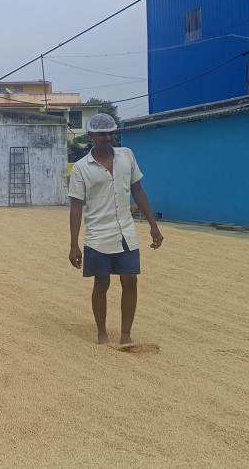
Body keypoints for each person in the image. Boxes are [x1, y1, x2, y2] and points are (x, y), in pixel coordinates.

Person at [68, 113, 164, 345]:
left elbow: (138, 190)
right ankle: (102, 333)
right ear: (91, 135)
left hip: (126, 232)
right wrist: (74, 244)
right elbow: (76, 206)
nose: (108, 137)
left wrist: (153, 225)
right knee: (101, 283)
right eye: (102, 134)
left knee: (130, 281)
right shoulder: (81, 168)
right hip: (98, 235)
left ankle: (126, 335)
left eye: (111, 133)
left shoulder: (127, 156)